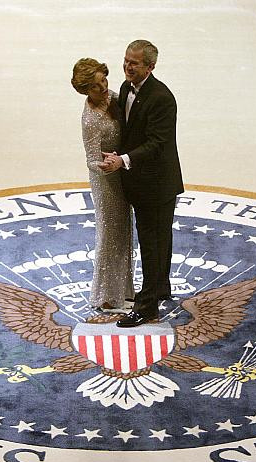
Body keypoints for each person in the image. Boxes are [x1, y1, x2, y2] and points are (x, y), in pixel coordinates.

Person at [100, 40, 183, 328]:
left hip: (158, 184)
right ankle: (159, 289)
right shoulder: (125, 88)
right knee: (157, 240)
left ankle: (147, 307)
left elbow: (158, 144)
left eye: (134, 63)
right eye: (126, 60)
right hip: (139, 182)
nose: (127, 67)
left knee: (152, 244)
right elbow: (131, 131)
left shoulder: (162, 98)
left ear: (150, 66)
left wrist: (123, 160)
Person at [71, 58, 134, 312]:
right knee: (109, 234)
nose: (104, 87)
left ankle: (123, 290)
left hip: (121, 172)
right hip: (106, 181)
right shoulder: (90, 119)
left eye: (104, 80)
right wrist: (108, 165)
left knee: (124, 231)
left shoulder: (113, 97)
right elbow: (90, 159)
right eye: (97, 85)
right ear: (86, 89)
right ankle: (106, 297)